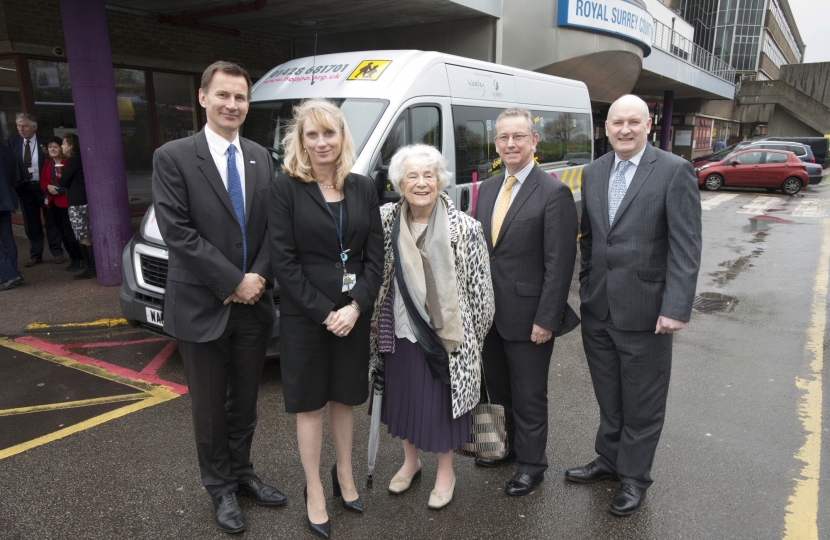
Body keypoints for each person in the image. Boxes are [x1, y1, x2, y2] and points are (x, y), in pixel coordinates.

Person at [152, 61, 285, 534]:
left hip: (254, 303)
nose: (233, 105)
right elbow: (178, 232)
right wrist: (233, 281)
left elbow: (274, 229)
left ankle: (243, 473)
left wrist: (258, 279)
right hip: (202, 303)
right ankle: (219, 487)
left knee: (245, 403)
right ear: (203, 97)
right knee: (208, 408)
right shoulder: (173, 156)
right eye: (224, 95)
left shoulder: (259, 156)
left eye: (241, 98)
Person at [568, 95, 701, 516]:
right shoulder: (592, 172)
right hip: (599, 309)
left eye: (633, 122)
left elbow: (685, 246)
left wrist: (676, 306)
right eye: (616, 123)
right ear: (605, 128)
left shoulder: (674, 171)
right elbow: (589, 238)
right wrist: (588, 283)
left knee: (642, 402)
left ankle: (634, 477)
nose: (624, 130)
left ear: (648, 124)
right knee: (610, 397)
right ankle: (609, 461)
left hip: (648, 313)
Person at [269, 98, 383, 539]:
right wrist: (325, 312)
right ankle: (314, 488)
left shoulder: (362, 187)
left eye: (329, 133)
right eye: (311, 134)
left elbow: (375, 257)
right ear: (299, 140)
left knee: (344, 397)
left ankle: (345, 476)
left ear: (342, 138)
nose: (321, 142)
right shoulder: (284, 189)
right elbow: (283, 261)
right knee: (311, 402)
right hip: (306, 317)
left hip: (352, 314)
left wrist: (355, 306)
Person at [368, 144, 494, 510]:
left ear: (440, 181)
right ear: (399, 182)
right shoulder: (385, 219)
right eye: (412, 176)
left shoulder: (465, 228)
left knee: (442, 407)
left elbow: (482, 295)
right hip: (400, 332)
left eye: (429, 175)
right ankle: (410, 461)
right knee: (405, 401)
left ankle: (445, 471)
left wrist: (470, 343)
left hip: (446, 340)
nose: (421, 183)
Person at [473, 107, 579, 496]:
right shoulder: (487, 189)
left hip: (531, 314)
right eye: (503, 137)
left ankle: (533, 465)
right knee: (499, 390)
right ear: (496, 143)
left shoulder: (553, 192)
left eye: (519, 136)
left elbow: (559, 263)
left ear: (534, 141)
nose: (510, 144)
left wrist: (547, 318)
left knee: (530, 395)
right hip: (490, 314)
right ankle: (506, 448)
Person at [8, 113, 65, 266]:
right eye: (19, 126)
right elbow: (10, 165)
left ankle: (57, 251)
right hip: (24, 188)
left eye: (24, 126)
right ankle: (36, 254)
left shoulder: (45, 142)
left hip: (43, 187)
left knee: (51, 219)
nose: (21, 129)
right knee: (30, 222)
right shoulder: (13, 141)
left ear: (33, 127)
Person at [55, 134, 95, 280]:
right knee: (87, 234)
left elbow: (64, 181)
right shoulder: (81, 159)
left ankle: (91, 267)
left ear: (71, 145)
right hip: (83, 201)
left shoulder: (73, 160)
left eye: (64, 144)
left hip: (77, 203)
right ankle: (91, 266)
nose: (62, 146)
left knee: (82, 235)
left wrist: (59, 178)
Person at [42, 136, 83, 271]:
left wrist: (58, 188)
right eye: (50, 147)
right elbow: (43, 181)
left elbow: (68, 181)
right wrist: (48, 187)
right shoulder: (48, 163)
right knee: (62, 232)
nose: (52, 149)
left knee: (70, 233)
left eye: (56, 146)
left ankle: (79, 258)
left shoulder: (68, 162)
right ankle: (73, 257)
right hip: (52, 203)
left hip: (66, 202)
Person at [0, 140, 21, 291]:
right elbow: (15, 176)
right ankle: (11, 272)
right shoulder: (7, 150)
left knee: (6, 239)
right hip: (6, 199)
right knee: (7, 238)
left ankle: (9, 274)